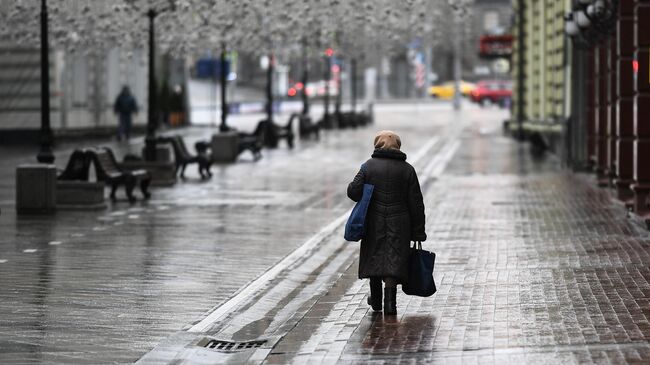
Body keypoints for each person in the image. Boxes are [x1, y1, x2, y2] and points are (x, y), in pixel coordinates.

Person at [347, 130, 427, 315]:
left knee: (375, 257)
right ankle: (390, 304)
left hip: (372, 221)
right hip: (400, 223)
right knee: (393, 260)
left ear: (377, 145)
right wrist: (418, 231)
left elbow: (353, 192)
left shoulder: (368, 167)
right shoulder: (407, 170)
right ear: (398, 146)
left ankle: (376, 301)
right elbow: (416, 203)